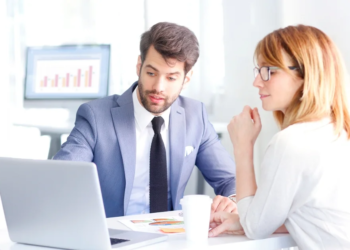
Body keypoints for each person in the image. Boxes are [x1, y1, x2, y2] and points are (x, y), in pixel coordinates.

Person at [54, 22, 237, 218]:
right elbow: (62, 178)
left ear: (187, 78)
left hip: (170, 237)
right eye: (151, 73)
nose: (158, 87)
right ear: (139, 66)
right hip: (114, 237)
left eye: (171, 78)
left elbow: (229, 180)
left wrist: (232, 201)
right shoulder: (96, 116)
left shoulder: (195, 116)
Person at [209, 25, 350, 249]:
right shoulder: (337, 130)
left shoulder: (291, 142)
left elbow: (256, 228)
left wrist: (243, 147)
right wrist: (242, 220)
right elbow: (315, 215)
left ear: (305, 76)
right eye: (259, 70)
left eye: (270, 71)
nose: (257, 81)